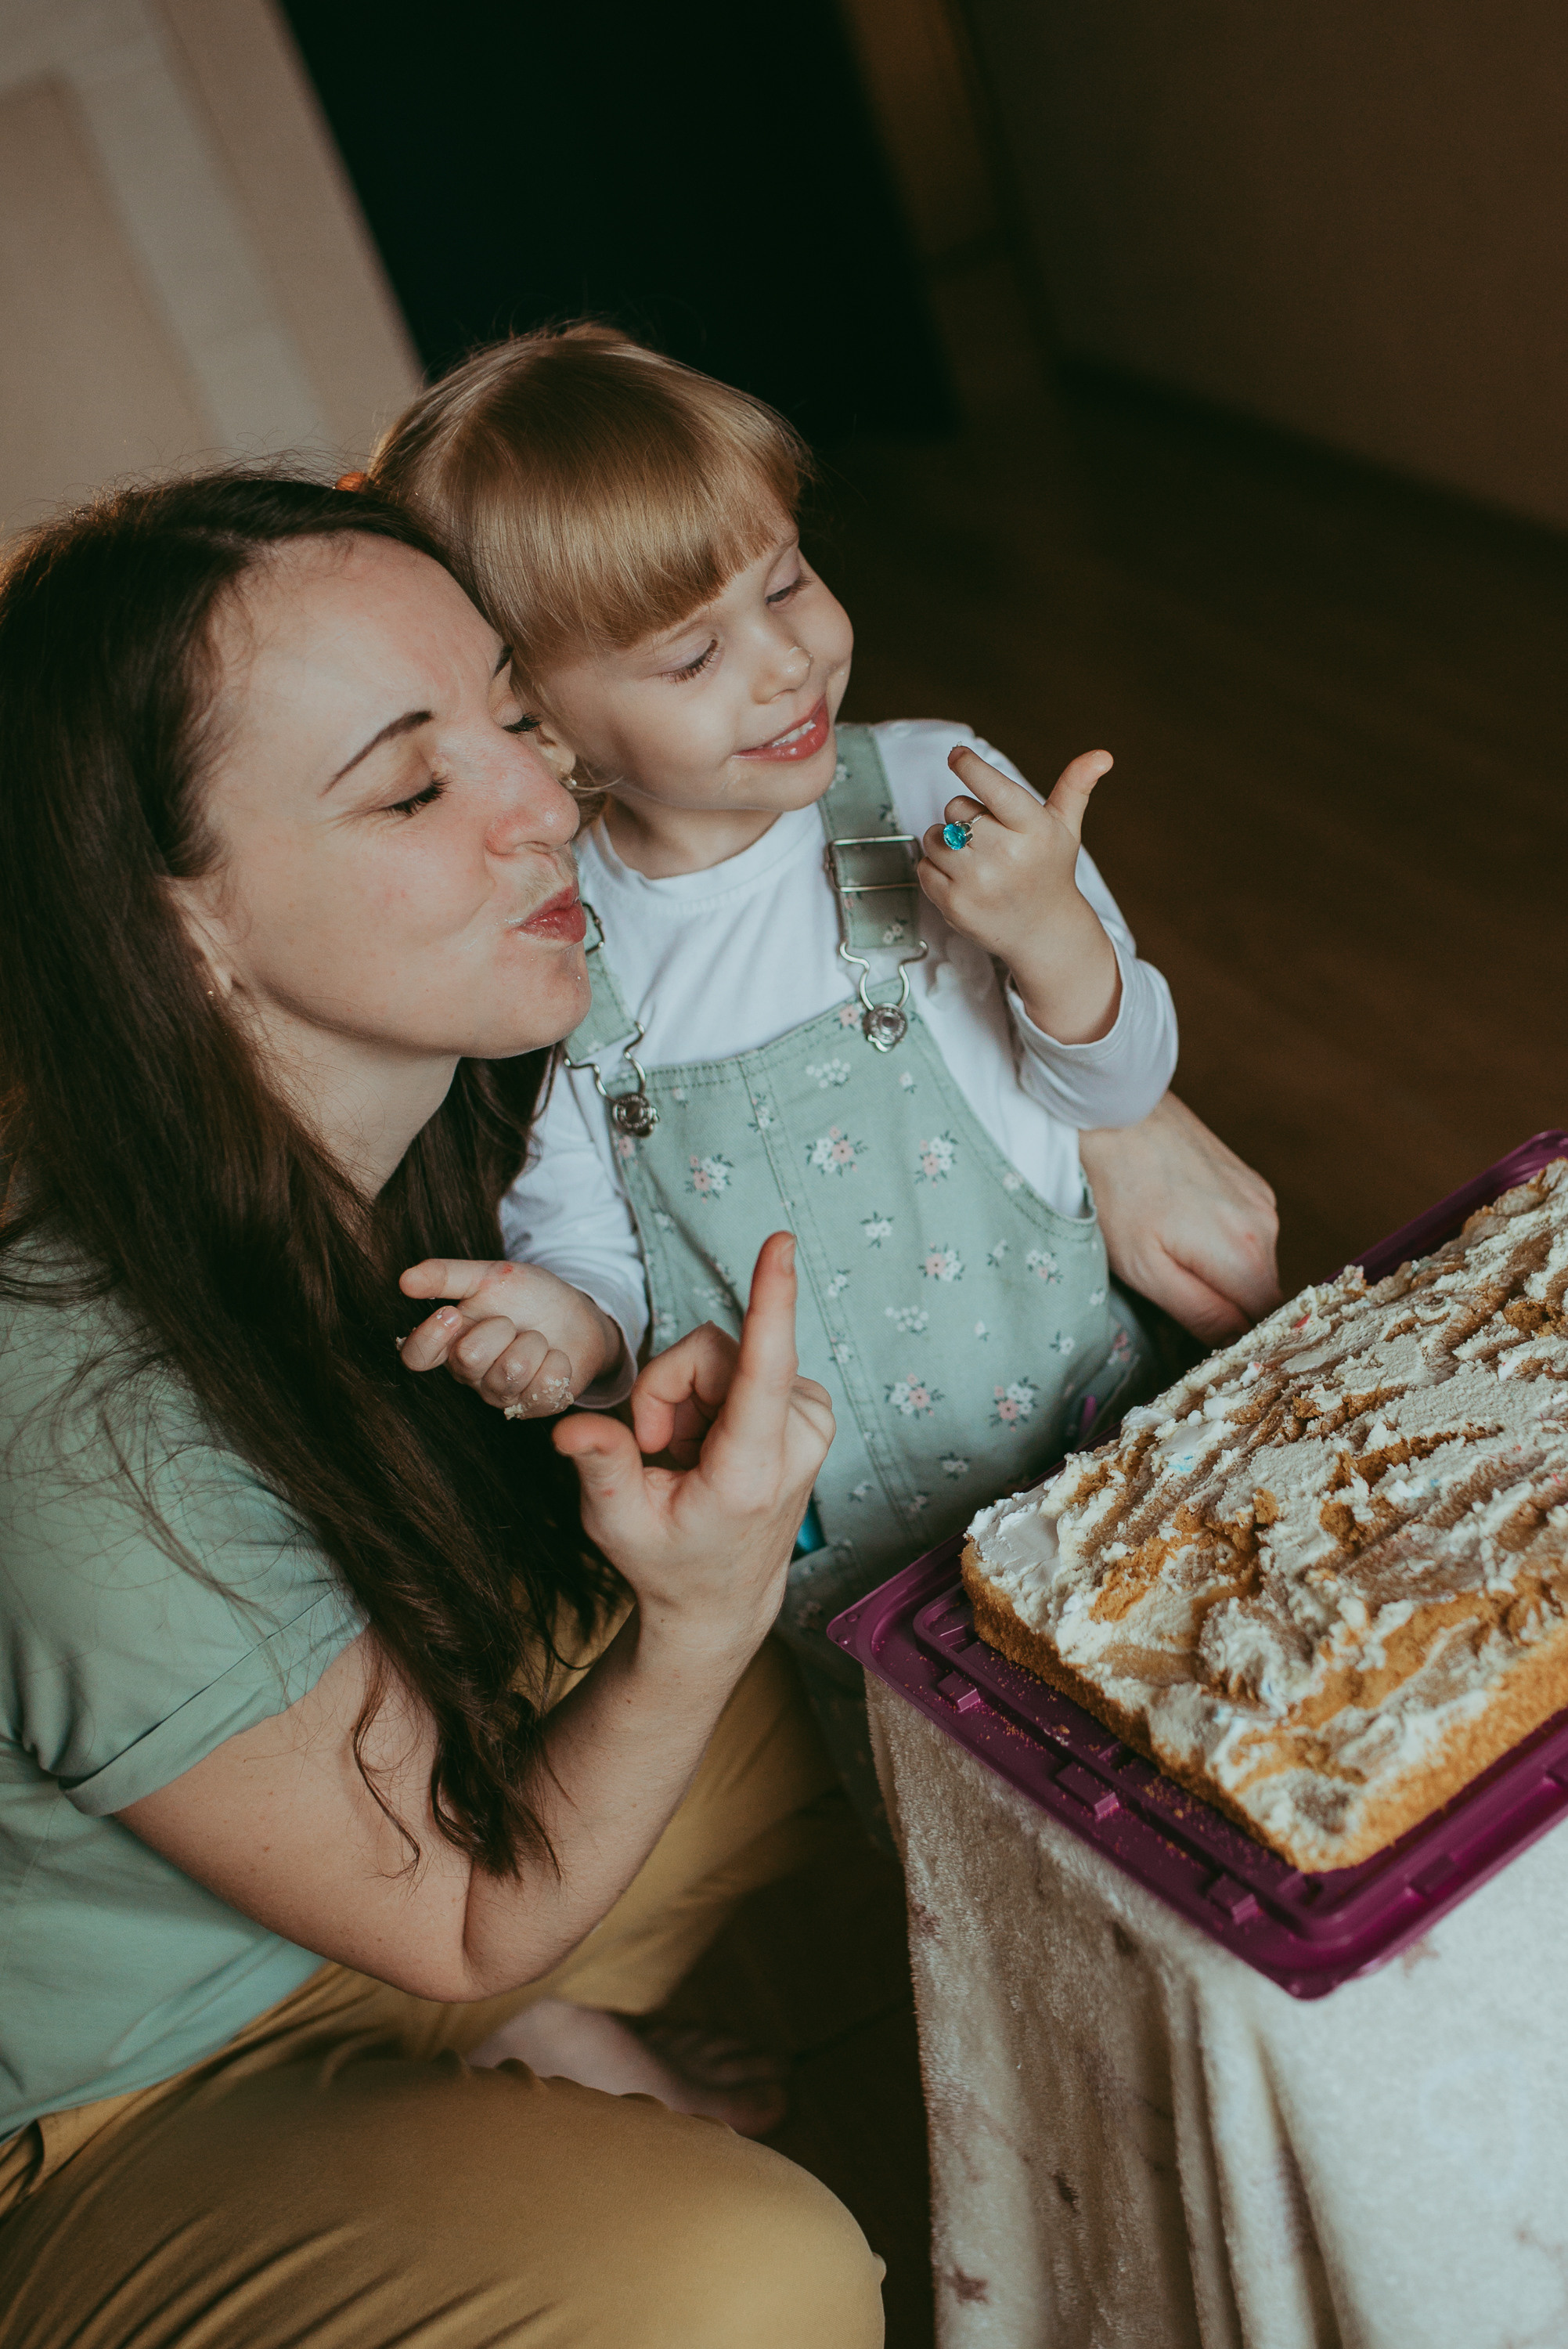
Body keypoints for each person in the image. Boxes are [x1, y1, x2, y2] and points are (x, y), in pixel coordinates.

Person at [0, 473, 887, 2347]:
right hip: (148, 2087)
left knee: (961, 1667)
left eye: (510, 707)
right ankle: (493, 2064)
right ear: (178, 933)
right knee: (743, 2287)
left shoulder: (480, 1096)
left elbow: (859, 919)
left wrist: (1116, 1111)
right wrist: (701, 1613)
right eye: (415, 788)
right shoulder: (79, 1434)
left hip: (426, 1814)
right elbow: (465, 1907)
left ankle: (512, 2052)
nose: (541, 794)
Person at [366, 326, 1280, 1813]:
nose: (787, 659)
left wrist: (1052, 938)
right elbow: (593, 1235)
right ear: (540, 718)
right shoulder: (559, 950)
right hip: (855, 1571)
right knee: (987, 1844)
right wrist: (567, 1322)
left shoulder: (924, 791)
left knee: (1236, 1744)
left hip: (1100, 1441)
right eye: (693, 652)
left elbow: (1117, 1095)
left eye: (782, 578)